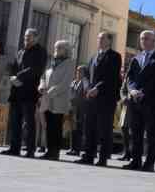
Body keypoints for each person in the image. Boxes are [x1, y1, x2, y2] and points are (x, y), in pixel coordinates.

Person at [123, 30, 155, 172]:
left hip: (151, 100)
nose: (143, 41)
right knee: (135, 132)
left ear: (154, 41)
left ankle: (149, 163)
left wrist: (143, 92)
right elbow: (129, 78)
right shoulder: (136, 58)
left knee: (151, 133)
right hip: (135, 101)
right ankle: (135, 161)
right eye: (142, 38)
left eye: (146, 38)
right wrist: (132, 90)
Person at [76, 31, 122, 167]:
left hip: (106, 98)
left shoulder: (115, 56)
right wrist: (89, 89)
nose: (99, 40)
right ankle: (88, 156)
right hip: (91, 98)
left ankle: (103, 158)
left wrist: (98, 88)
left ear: (109, 40)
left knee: (104, 129)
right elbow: (90, 76)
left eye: (102, 38)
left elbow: (111, 77)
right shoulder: (93, 56)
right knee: (89, 128)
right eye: (98, 38)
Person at [2, 29, 48, 158]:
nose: (26, 39)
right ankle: (14, 148)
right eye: (25, 37)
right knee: (15, 120)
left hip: (29, 90)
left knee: (29, 122)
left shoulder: (40, 51)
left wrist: (19, 77)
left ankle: (30, 149)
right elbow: (15, 67)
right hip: (16, 90)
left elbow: (36, 69)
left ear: (36, 38)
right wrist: (12, 76)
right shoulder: (21, 51)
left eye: (29, 37)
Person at [38, 40, 74, 161]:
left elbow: (65, 83)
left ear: (66, 50)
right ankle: (49, 150)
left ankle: (55, 151)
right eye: (55, 47)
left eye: (59, 48)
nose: (56, 50)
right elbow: (43, 76)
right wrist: (41, 86)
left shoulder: (69, 63)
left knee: (56, 126)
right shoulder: (51, 62)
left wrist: (51, 91)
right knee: (48, 126)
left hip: (59, 100)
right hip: (47, 99)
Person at [67, 65, 90, 156]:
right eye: (77, 71)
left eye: (80, 71)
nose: (78, 73)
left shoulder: (85, 82)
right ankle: (72, 148)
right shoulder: (73, 82)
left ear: (84, 73)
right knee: (72, 129)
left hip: (81, 108)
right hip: (72, 108)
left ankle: (77, 149)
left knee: (79, 129)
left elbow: (86, 93)